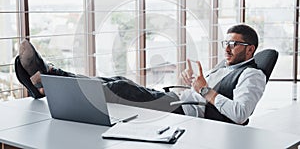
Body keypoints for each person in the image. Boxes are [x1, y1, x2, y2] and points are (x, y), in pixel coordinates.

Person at [15, 24, 266, 125]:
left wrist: (203, 89)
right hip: (180, 99)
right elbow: (204, 92)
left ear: (250, 49)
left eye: (234, 44)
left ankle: (48, 75)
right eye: (226, 42)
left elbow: (241, 115)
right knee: (117, 82)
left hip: (183, 110)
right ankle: (45, 81)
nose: (227, 48)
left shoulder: (252, 76)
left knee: (119, 88)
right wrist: (194, 84)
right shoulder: (225, 67)